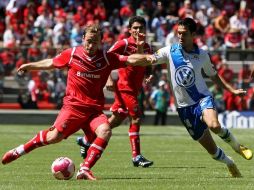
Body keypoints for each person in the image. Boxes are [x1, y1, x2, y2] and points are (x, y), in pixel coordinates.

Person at [1, 24, 146, 180]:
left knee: (105, 131)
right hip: (73, 108)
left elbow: (131, 59)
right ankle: (19, 150)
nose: (91, 45)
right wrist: (29, 66)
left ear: (100, 42)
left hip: (94, 111)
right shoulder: (72, 54)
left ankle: (84, 169)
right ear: (83, 38)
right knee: (53, 137)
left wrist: (152, 57)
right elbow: (51, 63)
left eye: (95, 42)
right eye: (89, 41)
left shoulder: (107, 58)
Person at [125, 17, 253, 177]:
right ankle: (230, 163)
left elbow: (214, 76)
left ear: (193, 35)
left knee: (214, 125)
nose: (180, 36)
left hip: (202, 98)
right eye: (178, 33)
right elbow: (144, 60)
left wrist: (232, 90)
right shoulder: (169, 51)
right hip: (184, 108)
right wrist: (143, 55)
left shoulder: (202, 55)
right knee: (212, 151)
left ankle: (238, 147)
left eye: (184, 34)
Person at [76, 16, 154, 168]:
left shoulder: (147, 47)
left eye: (141, 28)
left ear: (145, 29)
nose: (138, 31)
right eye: (135, 28)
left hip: (134, 89)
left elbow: (145, 62)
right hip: (124, 87)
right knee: (135, 118)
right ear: (130, 30)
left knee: (117, 118)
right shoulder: (123, 43)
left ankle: (86, 140)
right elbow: (106, 58)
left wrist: (147, 74)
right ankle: (136, 156)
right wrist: (108, 79)